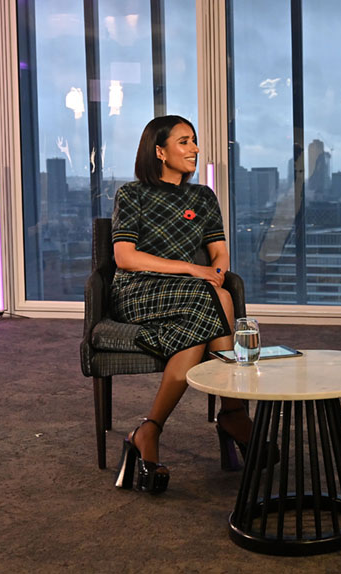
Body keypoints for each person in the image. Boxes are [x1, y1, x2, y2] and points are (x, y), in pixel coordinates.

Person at [112, 115, 252, 494]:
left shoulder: (202, 197)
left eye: (194, 141)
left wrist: (216, 273)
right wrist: (192, 269)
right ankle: (234, 413)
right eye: (185, 142)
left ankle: (149, 430)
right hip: (138, 291)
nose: (195, 149)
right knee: (217, 300)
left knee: (211, 306)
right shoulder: (132, 195)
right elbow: (125, 257)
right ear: (160, 151)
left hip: (190, 297)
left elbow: (219, 252)